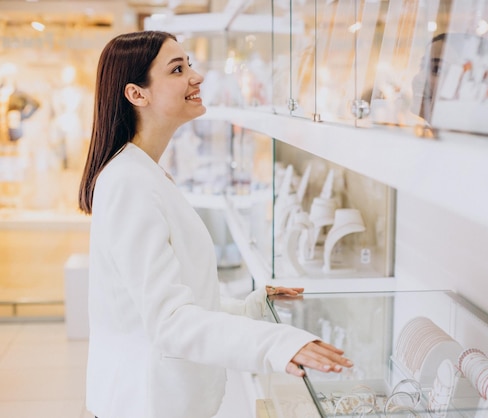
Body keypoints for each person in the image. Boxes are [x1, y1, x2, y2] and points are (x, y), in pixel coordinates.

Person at [78, 30, 352, 418]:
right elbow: (168, 321)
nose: (196, 76)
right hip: (145, 403)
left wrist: (252, 309)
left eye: (189, 63)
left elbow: (173, 295)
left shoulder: (144, 172)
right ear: (137, 94)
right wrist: (274, 343)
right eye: (177, 69)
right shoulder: (129, 182)